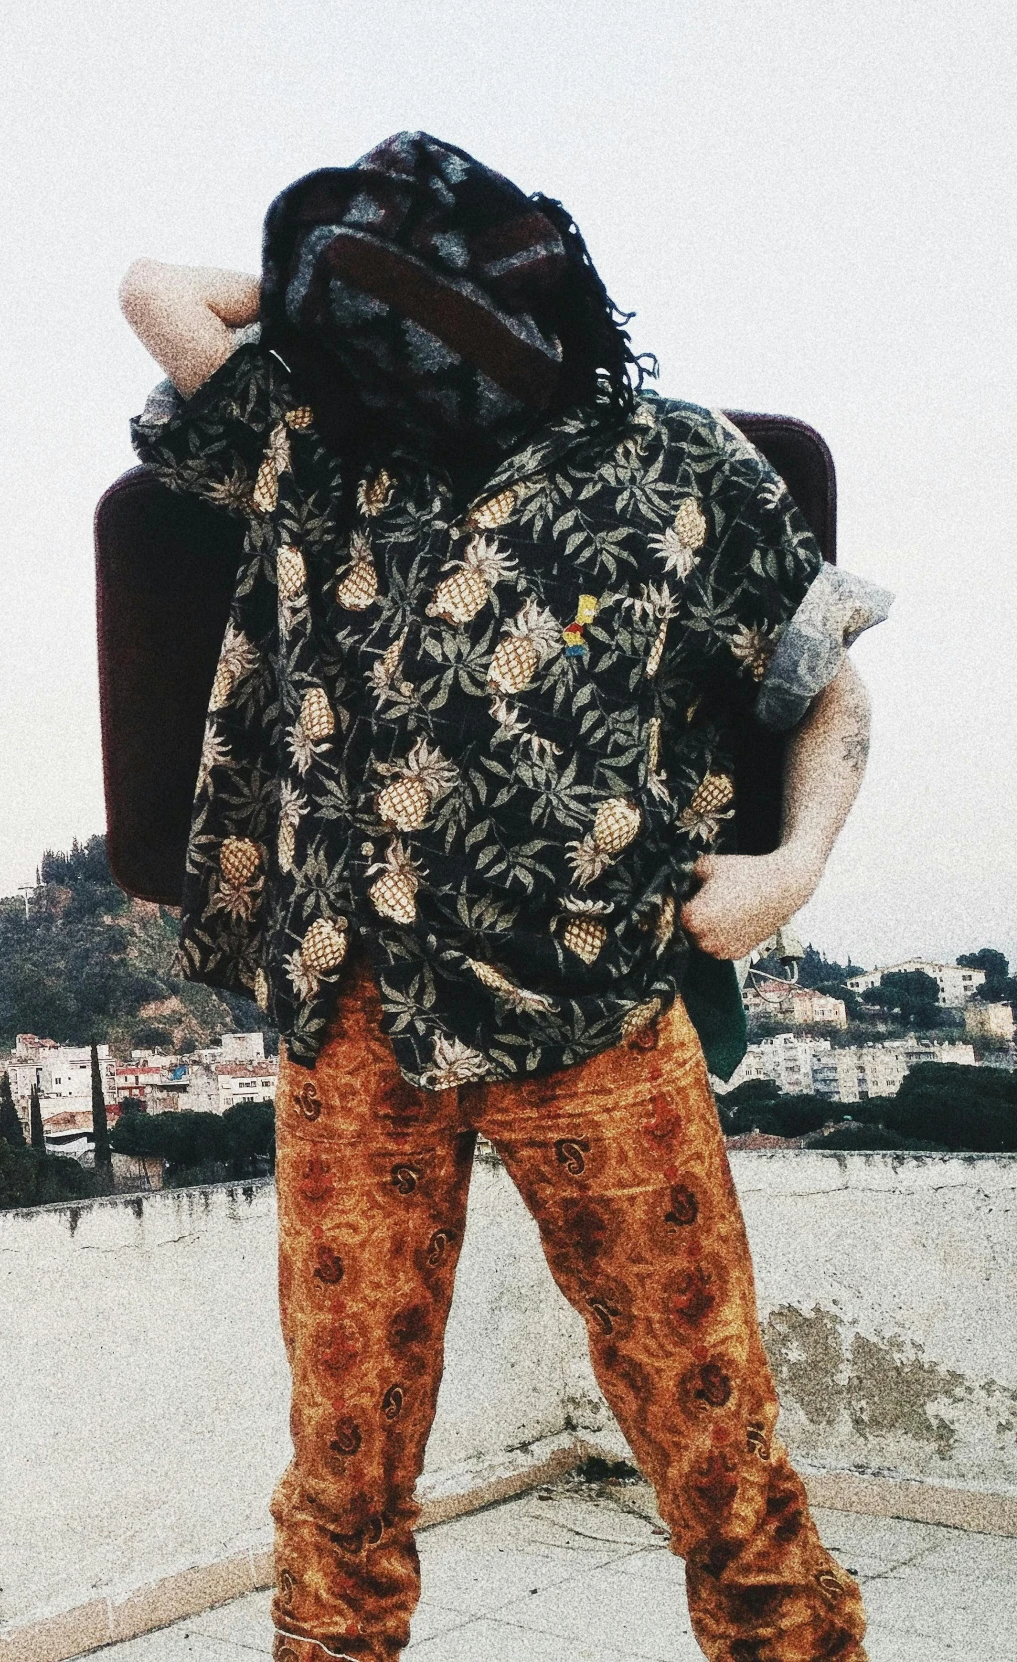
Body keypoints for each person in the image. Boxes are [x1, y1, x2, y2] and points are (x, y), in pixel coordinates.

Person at [119, 133, 888, 1662]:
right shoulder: (320, 433)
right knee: (343, 1473)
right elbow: (156, 294)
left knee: (717, 1445)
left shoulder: (680, 469)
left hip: (601, 1018)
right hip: (355, 1025)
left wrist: (790, 872)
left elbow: (827, 691)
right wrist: (347, 288)